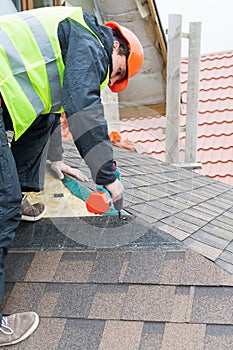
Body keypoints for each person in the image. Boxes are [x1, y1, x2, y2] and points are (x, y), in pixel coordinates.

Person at [0, 5, 144, 346]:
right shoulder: (92, 40)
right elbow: (82, 104)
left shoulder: (70, 35)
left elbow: (47, 109)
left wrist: (55, 159)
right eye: (119, 72)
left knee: (9, 195)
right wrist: (107, 175)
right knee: (1, 205)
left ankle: (16, 194)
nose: (111, 79)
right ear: (118, 46)